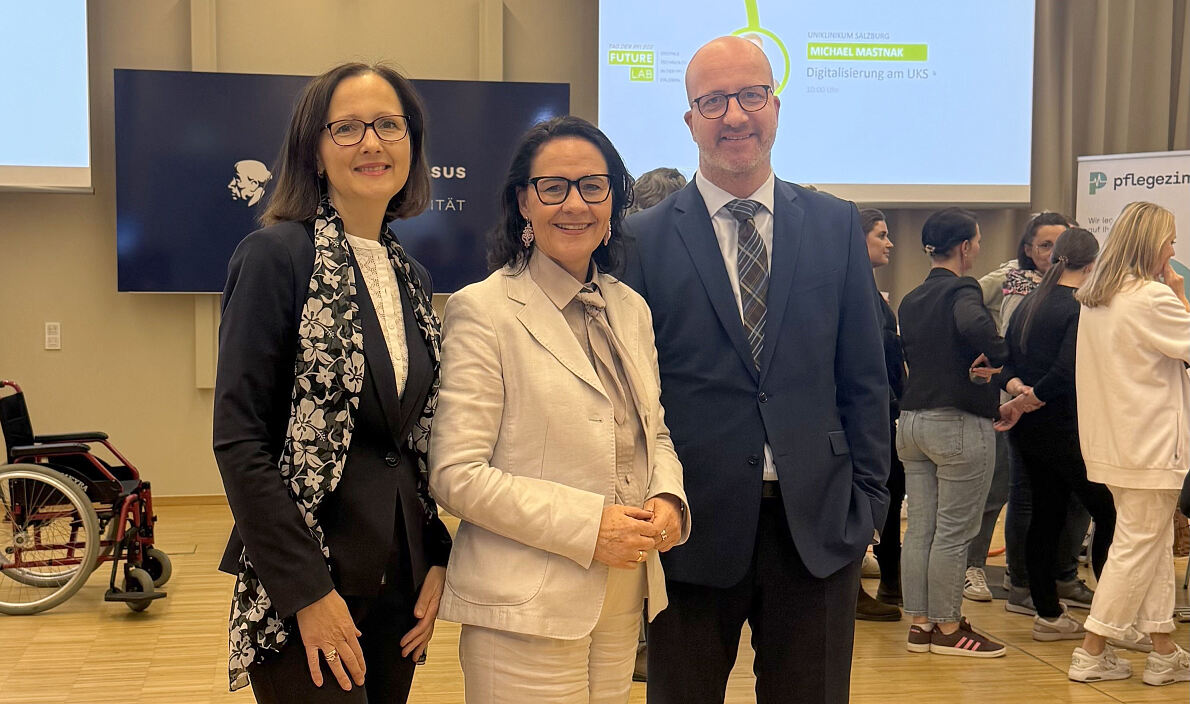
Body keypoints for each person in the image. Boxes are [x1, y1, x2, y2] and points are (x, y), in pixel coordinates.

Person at [624, 36, 890, 703]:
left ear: (776, 106)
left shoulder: (835, 225)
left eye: (751, 95)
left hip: (818, 530)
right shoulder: (641, 240)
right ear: (691, 120)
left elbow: (864, 378)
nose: (735, 115)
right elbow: (633, 393)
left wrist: (868, 503)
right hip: (690, 530)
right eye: (714, 101)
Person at [428, 115, 689, 703]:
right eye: (553, 187)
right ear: (524, 201)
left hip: (622, 597)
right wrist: (589, 526)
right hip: (525, 609)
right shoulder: (483, 311)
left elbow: (654, 432)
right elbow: (455, 474)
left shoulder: (631, 309)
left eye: (593, 186)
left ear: (614, 201)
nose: (575, 204)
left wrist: (669, 497)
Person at [213, 63, 453, 702]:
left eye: (389, 125)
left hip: (400, 584)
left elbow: (409, 445)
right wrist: (308, 594)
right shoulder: (274, 257)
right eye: (346, 128)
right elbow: (240, 442)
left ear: (411, 144)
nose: (372, 142)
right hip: (306, 584)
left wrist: (435, 556)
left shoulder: (412, 277)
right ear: (313, 150)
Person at [1066, 201, 1190, 686]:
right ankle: (1092, 649)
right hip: (1151, 444)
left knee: (1150, 543)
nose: (1173, 251)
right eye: (1170, 241)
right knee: (1138, 545)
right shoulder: (1152, 298)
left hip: (1114, 443)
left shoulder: (1098, 298)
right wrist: (1179, 293)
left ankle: (1163, 650)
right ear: (1151, 243)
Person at [966, 212, 1094, 616]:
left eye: (1056, 244)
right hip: (1044, 417)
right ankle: (1023, 584)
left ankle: (1052, 593)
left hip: (1037, 415)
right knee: (1024, 500)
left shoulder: (1062, 301)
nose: (1049, 252)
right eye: (1043, 244)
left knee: (1053, 509)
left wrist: (1020, 394)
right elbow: (1061, 369)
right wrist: (1022, 394)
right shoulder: (1023, 288)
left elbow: (1035, 365)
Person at [896, 207, 1009, 658]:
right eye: (976, 242)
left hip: (912, 423)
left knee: (920, 529)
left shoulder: (911, 298)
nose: (977, 249)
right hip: (957, 423)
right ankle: (947, 627)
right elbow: (974, 325)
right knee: (954, 533)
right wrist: (999, 355)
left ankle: (920, 624)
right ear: (964, 247)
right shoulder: (963, 288)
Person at [994, 227, 1116, 643]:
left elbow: (1006, 365)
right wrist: (1029, 399)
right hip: (1066, 430)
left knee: (1045, 516)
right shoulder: (1079, 309)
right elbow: (1065, 373)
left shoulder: (1030, 303)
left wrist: (1018, 395)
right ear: (1093, 264)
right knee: (1109, 512)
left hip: (1031, 431)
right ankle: (1110, 614)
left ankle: (1047, 613)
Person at [621, 164, 689, 683]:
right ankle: (645, 637)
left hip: (664, 433)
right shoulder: (621, 274)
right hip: (644, 429)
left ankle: (646, 637)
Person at [855, 208, 904, 622]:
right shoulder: (856, 293)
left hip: (885, 411)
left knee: (891, 493)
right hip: (873, 415)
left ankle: (889, 582)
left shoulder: (869, 291)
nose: (889, 243)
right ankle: (854, 589)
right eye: (881, 235)